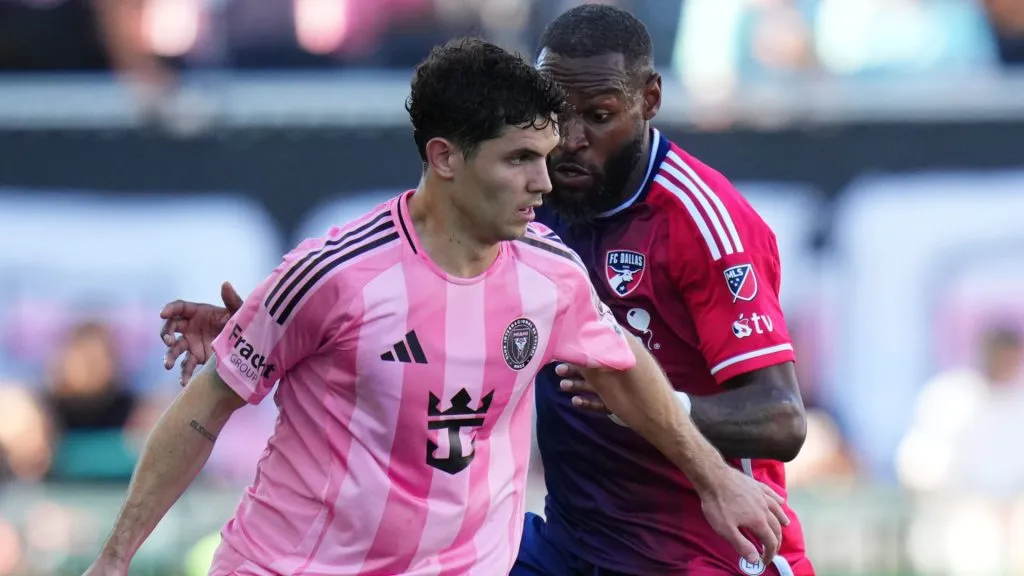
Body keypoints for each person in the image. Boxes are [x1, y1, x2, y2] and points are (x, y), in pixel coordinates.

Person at [89, 38, 787, 576]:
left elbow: (622, 362)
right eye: (519, 159)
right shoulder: (332, 275)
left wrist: (714, 479)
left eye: (543, 156)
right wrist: (116, 557)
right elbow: (201, 413)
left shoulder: (551, 274)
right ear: (446, 158)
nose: (544, 180)